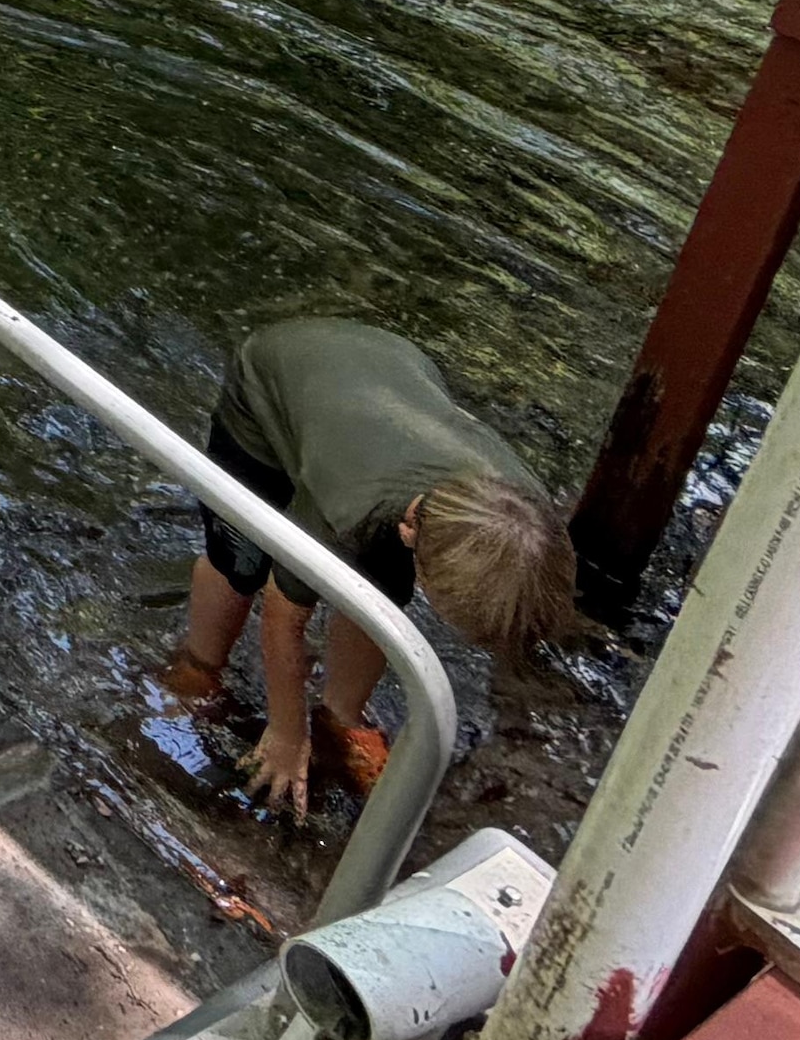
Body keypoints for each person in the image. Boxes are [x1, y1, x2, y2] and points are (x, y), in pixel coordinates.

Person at [163, 315, 578, 816]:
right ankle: (197, 665)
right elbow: (282, 616)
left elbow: (382, 603)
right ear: (411, 533)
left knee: (379, 590)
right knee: (241, 561)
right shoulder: (348, 512)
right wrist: (287, 730)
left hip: (389, 375)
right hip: (274, 383)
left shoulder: (525, 516)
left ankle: (343, 714)